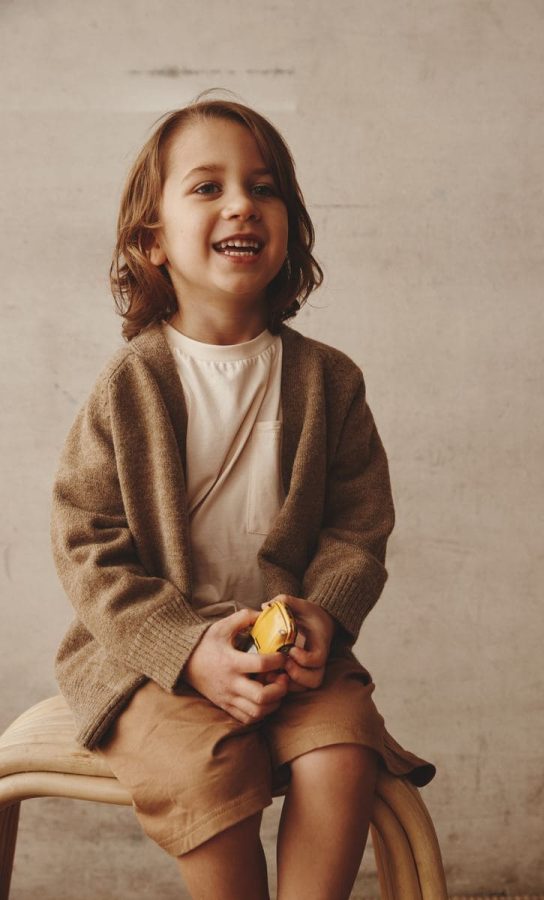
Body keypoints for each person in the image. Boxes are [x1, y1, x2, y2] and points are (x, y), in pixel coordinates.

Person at [51, 96, 435, 900]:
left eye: (264, 187)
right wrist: (186, 651)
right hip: (149, 662)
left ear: (287, 224)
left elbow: (358, 526)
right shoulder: (131, 385)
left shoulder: (330, 382)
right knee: (208, 773)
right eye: (206, 187)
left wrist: (324, 615)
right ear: (150, 240)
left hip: (291, 655)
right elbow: (87, 542)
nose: (241, 204)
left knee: (343, 749)